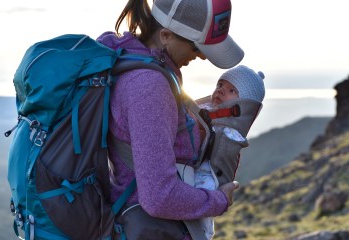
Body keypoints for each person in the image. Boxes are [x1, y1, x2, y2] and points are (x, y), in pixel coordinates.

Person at [96, 0, 245, 239]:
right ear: (166, 35)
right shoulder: (148, 85)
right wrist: (219, 200)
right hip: (151, 229)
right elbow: (159, 197)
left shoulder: (139, 64)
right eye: (197, 48)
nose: (203, 57)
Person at [194, 65, 265, 239]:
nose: (220, 91)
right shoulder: (206, 109)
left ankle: (202, 233)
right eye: (220, 85)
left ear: (244, 101)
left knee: (202, 202)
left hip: (209, 175)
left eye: (231, 90)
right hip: (191, 172)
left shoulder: (231, 131)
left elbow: (224, 144)